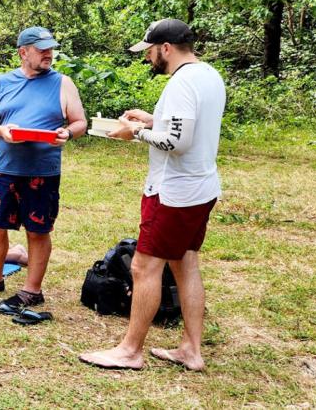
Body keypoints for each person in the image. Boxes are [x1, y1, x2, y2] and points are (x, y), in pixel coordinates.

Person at [80, 19, 225, 371]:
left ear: (165, 48)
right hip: (202, 187)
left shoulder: (180, 83)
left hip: (173, 193)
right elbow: (187, 124)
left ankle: (130, 351)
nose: (147, 58)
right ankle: (191, 348)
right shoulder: (209, 76)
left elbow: (176, 142)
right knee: (185, 263)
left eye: (148, 51)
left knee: (144, 267)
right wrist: (153, 118)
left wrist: (136, 132)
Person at [0, 26, 86, 313]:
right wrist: (2, 130)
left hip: (43, 172)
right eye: (42, 49)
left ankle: (32, 291)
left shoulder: (63, 83)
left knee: (37, 230)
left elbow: (79, 122)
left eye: (51, 49)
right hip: (6, 168)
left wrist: (68, 134)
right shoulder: (3, 82)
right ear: (23, 53)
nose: (49, 54)